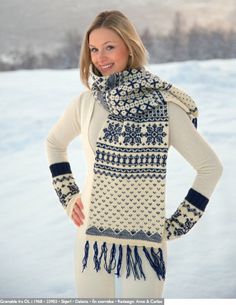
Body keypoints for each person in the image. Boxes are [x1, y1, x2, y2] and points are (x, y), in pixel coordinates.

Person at [45, 10, 223, 298]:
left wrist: (179, 224)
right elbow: (54, 143)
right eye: (94, 49)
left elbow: (210, 167)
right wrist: (69, 196)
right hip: (92, 240)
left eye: (110, 47)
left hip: (145, 246)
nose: (100, 57)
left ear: (129, 47)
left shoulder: (163, 106)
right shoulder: (86, 102)